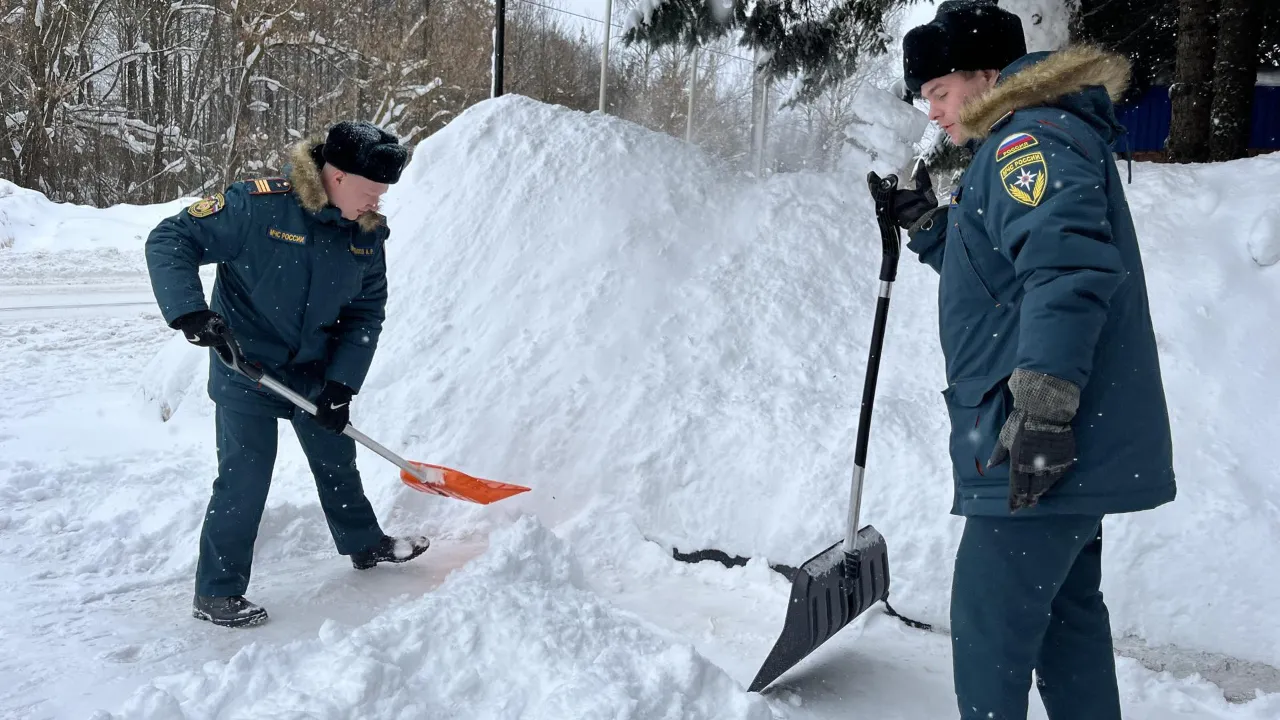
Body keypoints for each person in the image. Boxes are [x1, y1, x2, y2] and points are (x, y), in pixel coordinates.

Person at [879, 1, 1177, 718]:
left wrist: (1044, 411)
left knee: (988, 626)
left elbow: (1066, 270)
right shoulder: (1026, 140)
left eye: (942, 94)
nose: (937, 115)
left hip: (1035, 441)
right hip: (1053, 442)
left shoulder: (1027, 141)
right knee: (1067, 624)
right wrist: (927, 226)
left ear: (987, 75)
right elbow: (1001, 275)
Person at [144, 120, 431, 628]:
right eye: (369, 192)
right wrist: (189, 311)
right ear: (336, 176)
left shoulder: (367, 234)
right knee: (243, 480)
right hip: (245, 368)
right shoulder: (258, 207)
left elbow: (366, 313)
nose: (375, 204)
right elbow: (172, 237)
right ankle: (217, 592)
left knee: (336, 459)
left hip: (315, 371)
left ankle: (365, 545)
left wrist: (342, 384)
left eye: (381, 195)